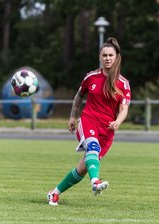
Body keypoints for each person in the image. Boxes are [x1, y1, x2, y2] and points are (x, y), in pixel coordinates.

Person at [47, 37, 131, 206]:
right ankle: (96, 183)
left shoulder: (123, 83)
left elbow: (124, 109)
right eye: (104, 55)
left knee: (83, 168)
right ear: (100, 57)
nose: (107, 58)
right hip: (88, 121)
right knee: (93, 147)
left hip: (107, 130)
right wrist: (72, 116)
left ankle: (54, 193)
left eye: (110, 55)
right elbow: (79, 97)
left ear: (116, 57)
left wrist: (118, 122)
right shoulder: (91, 77)